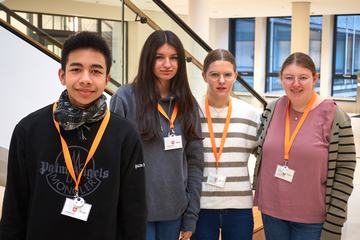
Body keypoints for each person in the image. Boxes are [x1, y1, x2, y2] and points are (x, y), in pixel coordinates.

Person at [0, 31, 147, 239]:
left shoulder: (124, 135)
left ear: (107, 79)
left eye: (95, 71)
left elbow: (134, 212)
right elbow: (14, 209)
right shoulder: (29, 129)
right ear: (62, 75)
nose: (85, 79)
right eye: (76, 69)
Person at [110, 30, 204, 240]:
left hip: (174, 212)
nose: (167, 64)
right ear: (148, 60)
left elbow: (195, 163)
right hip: (135, 211)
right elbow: (112, 160)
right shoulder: (125, 98)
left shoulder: (188, 104)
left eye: (173, 58)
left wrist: (191, 215)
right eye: (159, 57)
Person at [253, 52, 356, 240]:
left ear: (315, 78)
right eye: (289, 78)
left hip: (312, 219)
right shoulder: (272, 109)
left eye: (303, 78)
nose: (296, 84)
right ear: (281, 79)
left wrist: (335, 219)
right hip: (272, 211)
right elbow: (260, 149)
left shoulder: (335, 116)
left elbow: (345, 170)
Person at [191, 49, 260, 240]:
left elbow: (264, 155)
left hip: (240, 207)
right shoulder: (191, 112)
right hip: (201, 207)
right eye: (214, 74)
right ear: (204, 76)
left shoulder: (250, 114)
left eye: (227, 75)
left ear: (235, 76)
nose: (221, 80)